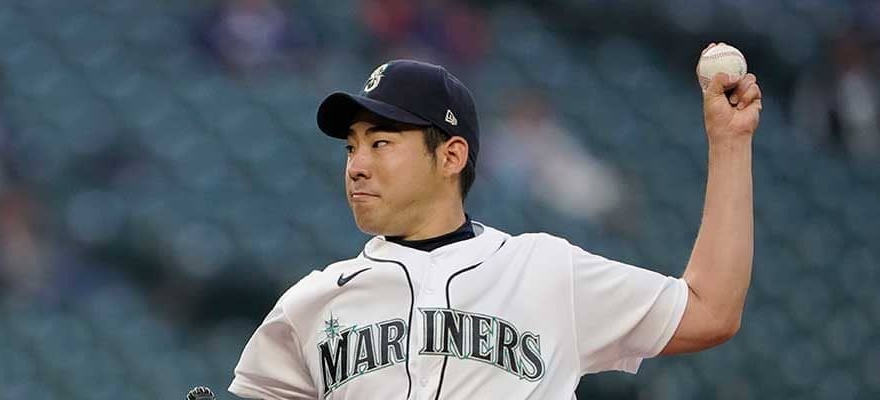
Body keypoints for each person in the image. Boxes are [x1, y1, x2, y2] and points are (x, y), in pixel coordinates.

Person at [229, 43, 763, 399]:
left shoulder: (545, 270)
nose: (357, 165)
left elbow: (711, 310)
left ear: (451, 156)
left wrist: (730, 144)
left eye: (381, 142)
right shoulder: (311, 303)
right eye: (351, 147)